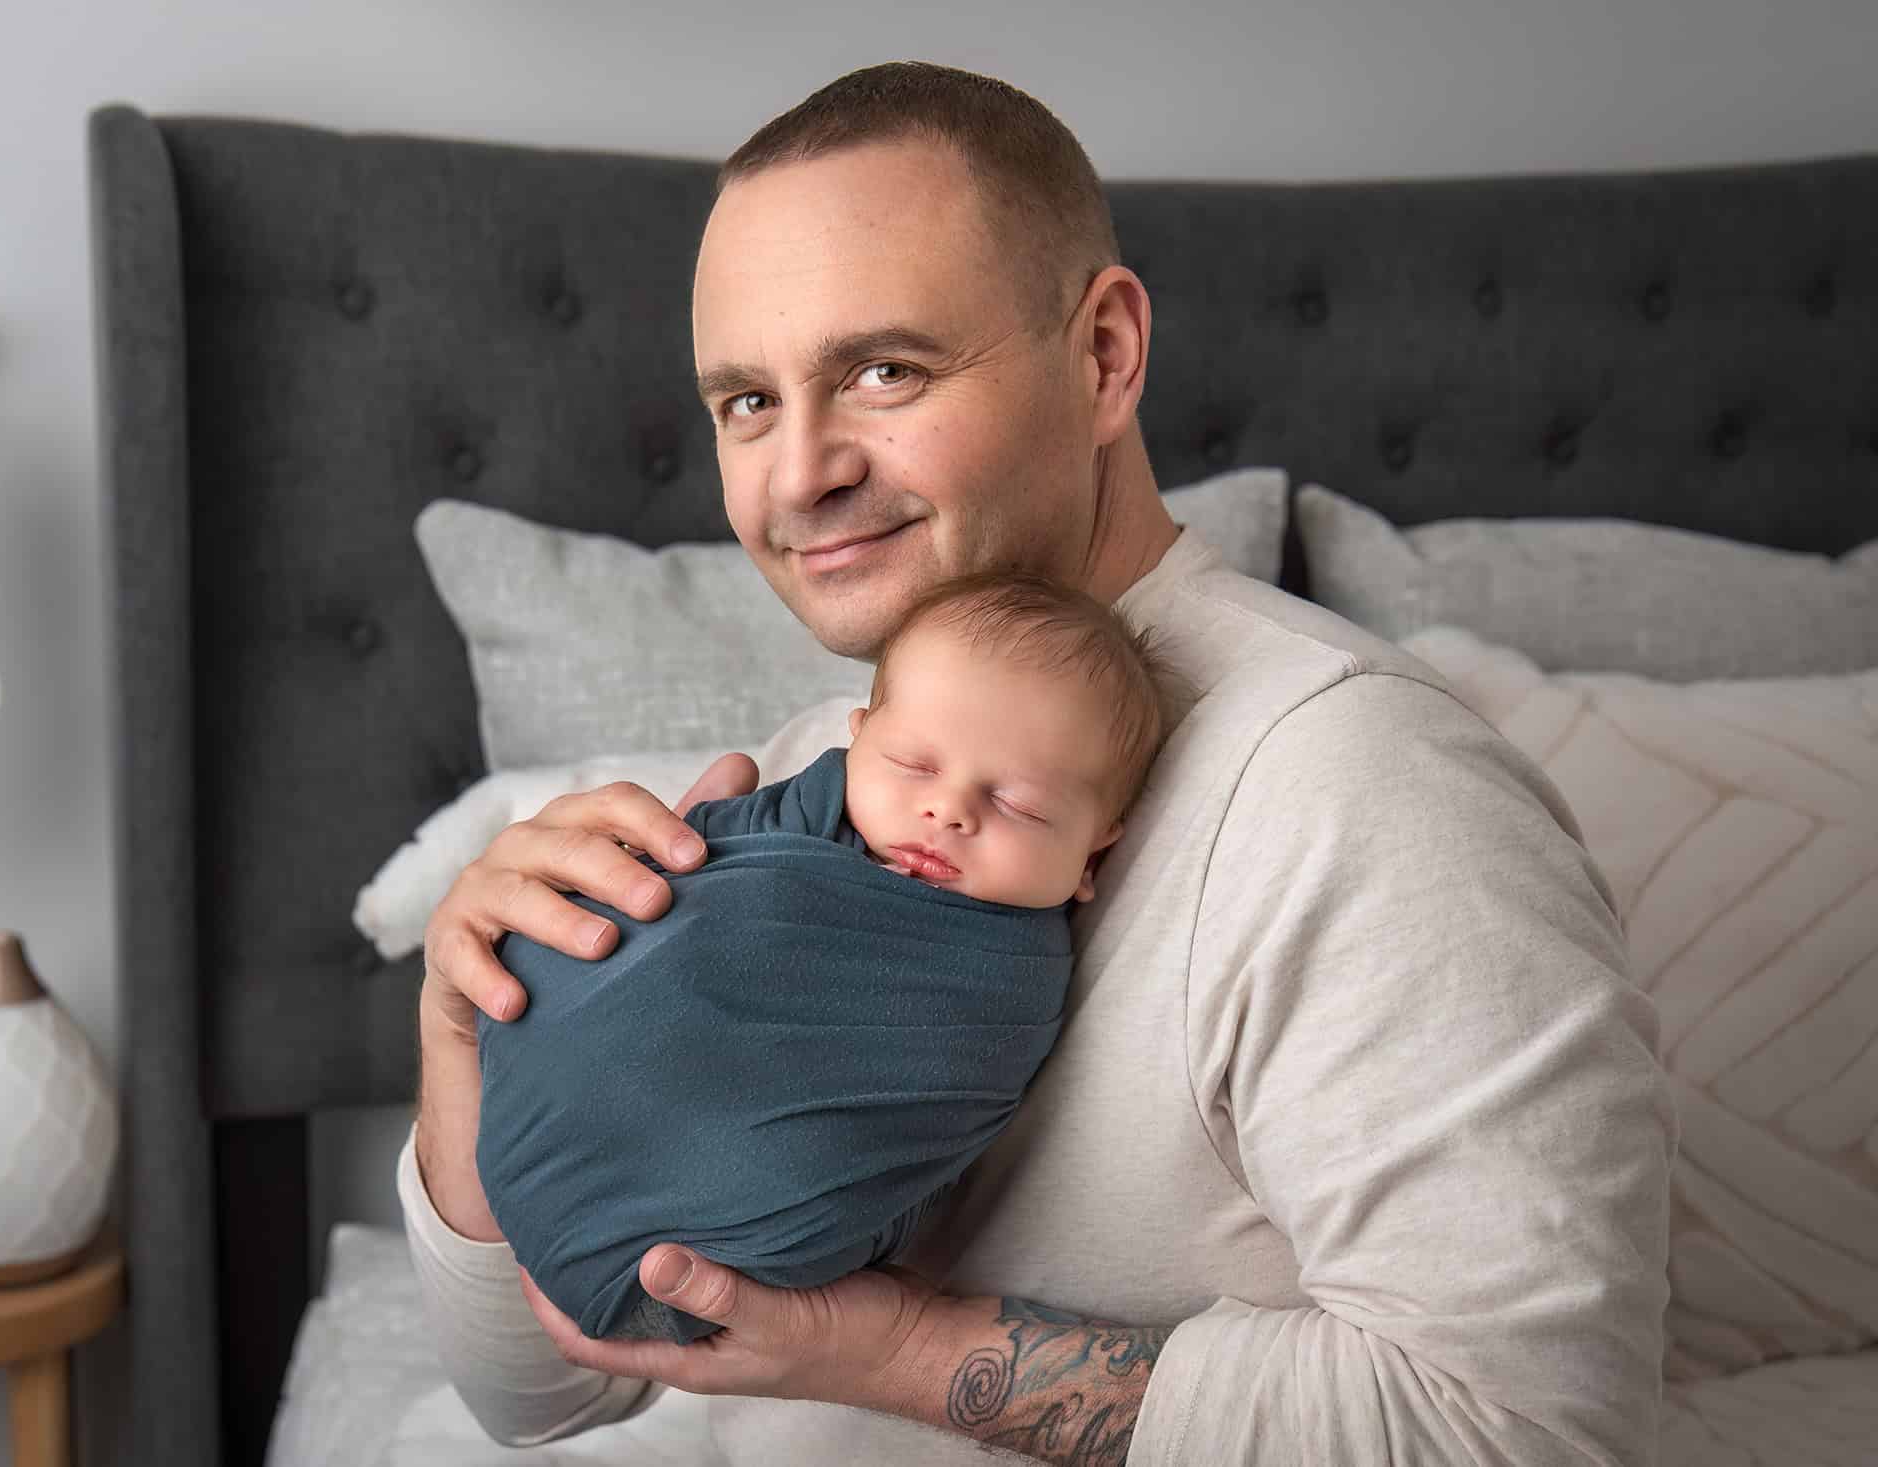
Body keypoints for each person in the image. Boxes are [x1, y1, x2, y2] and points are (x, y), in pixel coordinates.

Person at [401, 61, 1677, 1466]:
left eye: (883, 370)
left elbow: (1530, 1428)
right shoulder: (808, 788)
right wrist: (466, 1043)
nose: (799, 470)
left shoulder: (1365, 791)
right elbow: (544, 1394)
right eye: (747, 401)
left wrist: (887, 1348)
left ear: (1105, 355)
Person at [476, 571, 1177, 1349]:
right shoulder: (801, 808)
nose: (948, 810)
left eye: (1018, 805)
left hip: (712, 1266)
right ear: (857, 739)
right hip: (544, 1097)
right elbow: (682, 863)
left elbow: (930, 1129)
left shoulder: (1013, 982)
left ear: (1094, 850)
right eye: (913, 763)